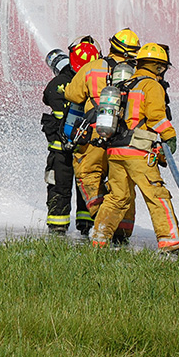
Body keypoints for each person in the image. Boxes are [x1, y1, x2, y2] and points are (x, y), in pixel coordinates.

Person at [90, 43, 179, 256]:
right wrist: (170, 137)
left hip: (115, 151)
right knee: (157, 195)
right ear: (158, 67)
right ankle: (171, 244)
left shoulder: (123, 84)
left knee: (116, 198)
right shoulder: (151, 86)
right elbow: (156, 116)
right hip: (138, 151)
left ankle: (99, 240)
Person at [64, 28, 140, 241]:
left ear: (111, 46)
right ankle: (122, 232)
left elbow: (72, 94)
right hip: (125, 139)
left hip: (95, 135)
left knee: (88, 174)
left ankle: (102, 220)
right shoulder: (139, 74)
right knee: (123, 185)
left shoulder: (92, 68)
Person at [40, 42, 98, 236]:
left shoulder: (56, 85)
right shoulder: (96, 82)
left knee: (58, 186)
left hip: (59, 149)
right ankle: (86, 225)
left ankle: (57, 226)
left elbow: (48, 98)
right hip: (86, 148)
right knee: (87, 185)